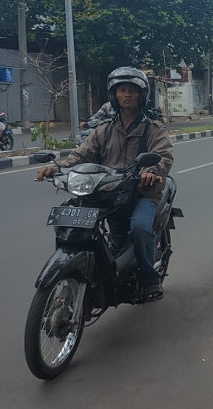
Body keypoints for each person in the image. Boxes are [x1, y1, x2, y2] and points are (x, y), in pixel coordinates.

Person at [36, 67, 174, 302]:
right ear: (114, 95)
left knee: (140, 227)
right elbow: (81, 154)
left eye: (132, 91)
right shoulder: (104, 129)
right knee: (67, 217)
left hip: (141, 193)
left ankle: (149, 277)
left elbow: (163, 156)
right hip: (107, 191)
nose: (127, 95)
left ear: (142, 95)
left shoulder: (153, 128)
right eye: (122, 90)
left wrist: (150, 172)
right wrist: (58, 167)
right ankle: (70, 272)